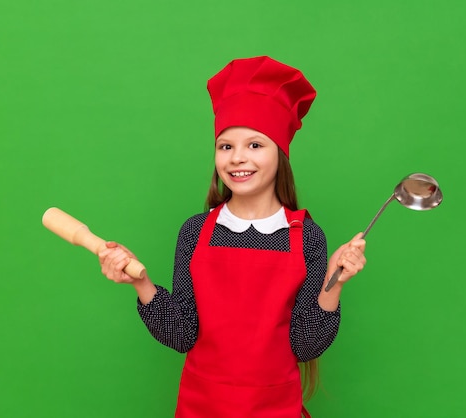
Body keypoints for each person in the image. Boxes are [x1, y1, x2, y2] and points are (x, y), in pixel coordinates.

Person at [98, 56, 367, 418]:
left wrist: (334, 283)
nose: (238, 158)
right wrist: (142, 284)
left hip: (274, 407)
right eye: (226, 146)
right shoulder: (196, 231)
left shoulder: (306, 237)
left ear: (280, 154)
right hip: (202, 406)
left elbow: (306, 345)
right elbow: (182, 334)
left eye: (255, 145)